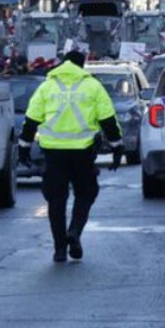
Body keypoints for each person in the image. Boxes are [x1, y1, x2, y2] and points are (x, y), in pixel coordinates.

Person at [20, 50, 123, 263]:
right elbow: (108, 119)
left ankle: (59, 249)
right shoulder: (92, 86)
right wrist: (117, 147)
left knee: (56, 200)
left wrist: (24, 147)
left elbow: (31, 120)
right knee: (86, 193)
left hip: (53, 154)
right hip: (82, 153)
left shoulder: (47, 86)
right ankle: (74, 231)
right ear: (81, 66)